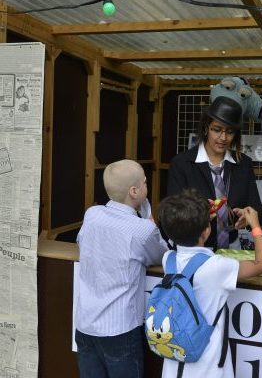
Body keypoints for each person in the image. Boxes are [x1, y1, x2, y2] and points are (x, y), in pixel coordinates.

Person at [157, 188, 262, 378]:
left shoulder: (168, 260)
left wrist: (199, 213)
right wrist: (255, 226)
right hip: (207, 364)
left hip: (174, 360)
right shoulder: (217, 266)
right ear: (207, 230)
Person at [74, 159, 168, 378]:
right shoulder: (142, 230)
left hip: (85, 324)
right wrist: (148, 219)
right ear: (134, 191)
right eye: (145, 183)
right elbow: (161, 254)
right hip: (120, 329)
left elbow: (81, 241)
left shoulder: (92, 214)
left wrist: (143, 209)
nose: (148, 186)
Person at [167, 96, 262, 251]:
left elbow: (257, 207)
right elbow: (172, 214)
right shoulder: (182, 164)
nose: (223, 138)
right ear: (206, 128)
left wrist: (248, 217)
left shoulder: (243, 164)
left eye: (230, 132)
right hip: (195, 247)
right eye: (217, 130)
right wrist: (199, 215)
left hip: (233, 247)